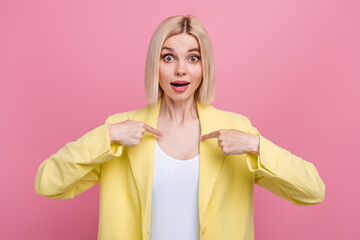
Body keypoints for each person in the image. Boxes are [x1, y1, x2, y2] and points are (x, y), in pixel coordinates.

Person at [34, 15, 325, 240]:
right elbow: (47, 183)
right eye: (168, 57)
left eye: (193, 57)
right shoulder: (119, 130)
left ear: (204, 66)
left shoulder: (237, 128)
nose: (181, 70)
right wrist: (106, 137)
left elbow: (312, 192)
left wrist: (255, 146)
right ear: (155, 64)